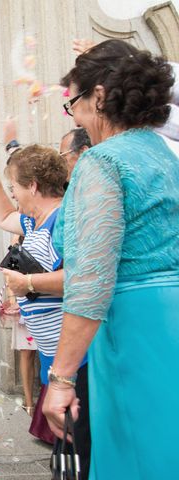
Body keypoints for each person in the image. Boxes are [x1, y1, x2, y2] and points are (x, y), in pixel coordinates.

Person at [43, 39, 179, 479]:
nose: (77, 117)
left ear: (99, 96)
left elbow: (92, 276)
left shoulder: (103, 161)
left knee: (138, 454)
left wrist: (61, 380)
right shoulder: (166, 155)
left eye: (75, 104)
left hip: (135, 325)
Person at [0, 145, 91, 478]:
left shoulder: (64, 218)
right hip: (50, 353)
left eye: (14, 186)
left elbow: (81, 276)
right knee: (67, 448)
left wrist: (27, 282)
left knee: (81, 447)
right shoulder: (33, 222)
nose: (12, 194)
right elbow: (2, 217)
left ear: (33, 186)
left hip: (79, 357)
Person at [0, 234, 37, 416]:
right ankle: (29, 402)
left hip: (50, 299)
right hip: (25, 300)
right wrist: (13, 300)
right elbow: (11, 270)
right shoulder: (18, 235)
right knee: (27, 353)